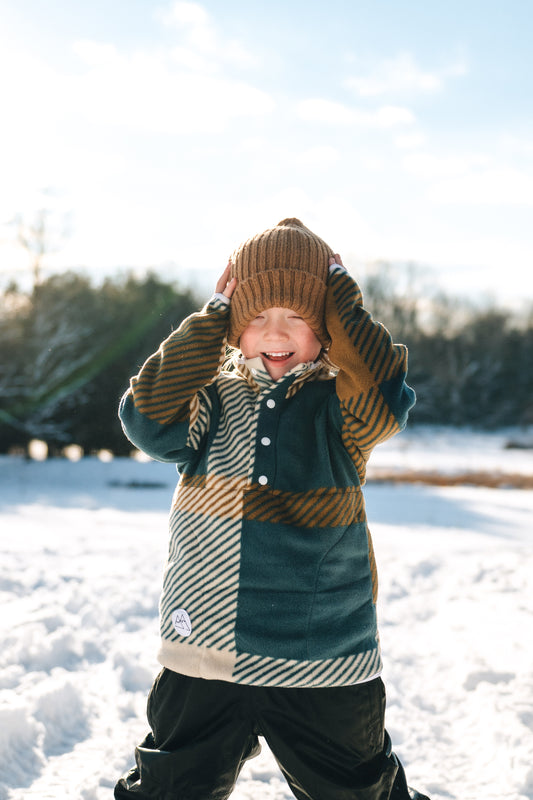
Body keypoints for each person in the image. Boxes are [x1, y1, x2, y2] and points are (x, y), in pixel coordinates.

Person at [114, 218, 429, 800]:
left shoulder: (341, 414)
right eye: (256, 317)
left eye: (299, 317)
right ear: (234, 331)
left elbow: (387, 395)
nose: (275, 332)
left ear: (327, 328)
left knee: (358, 792)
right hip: (204, 651)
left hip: (320, 656)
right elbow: (145, 419)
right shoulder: (208, 405)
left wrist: (341, 298)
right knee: (169, 789)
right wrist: (211, 319)